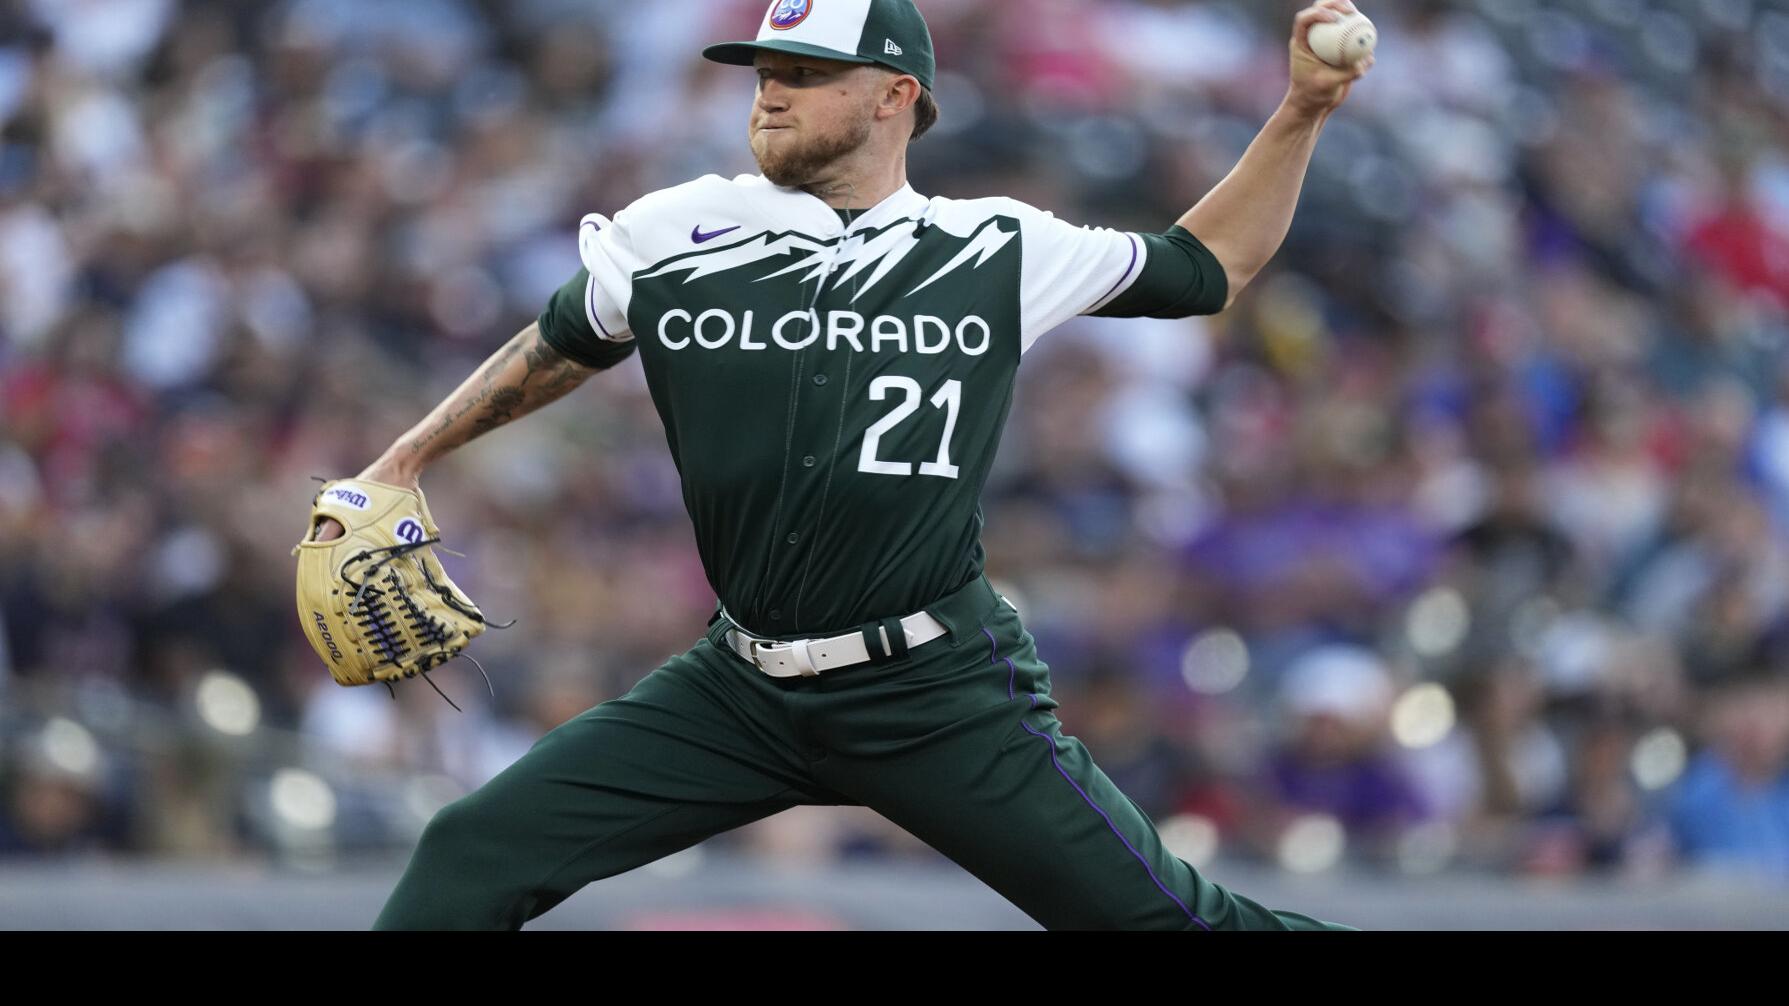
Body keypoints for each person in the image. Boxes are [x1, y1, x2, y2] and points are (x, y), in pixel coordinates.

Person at [328, 0, 1372, 930]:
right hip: (737, 686)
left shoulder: (995, 247)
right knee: (471, 851)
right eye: (766, 73)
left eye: (805, 75)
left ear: (892, 97)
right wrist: (404, 457)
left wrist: (1300, 112)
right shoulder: (677, 230)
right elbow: (566, 339)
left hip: (934, 686)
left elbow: (1208, 267)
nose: (771, 94)